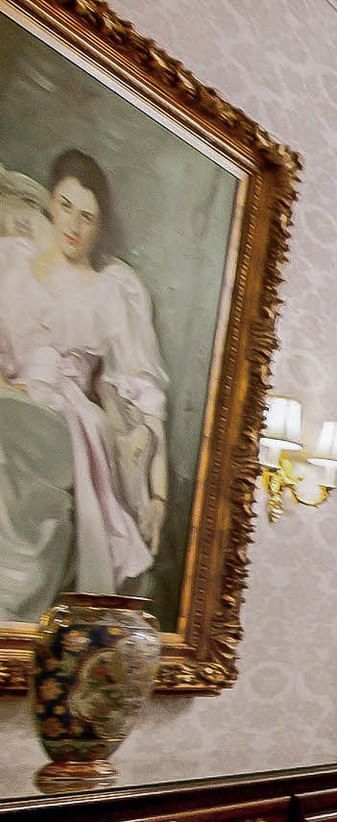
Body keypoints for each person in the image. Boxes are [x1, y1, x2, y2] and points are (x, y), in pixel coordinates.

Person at [0, 149, 167, 620]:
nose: (74, 224)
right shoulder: (10, 262)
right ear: (52, 202)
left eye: (88, 217)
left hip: (68, 419)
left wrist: (159, 495)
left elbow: (145, 396)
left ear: (99, 225)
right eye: (66, 206)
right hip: (12, 399)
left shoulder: (112, 289)